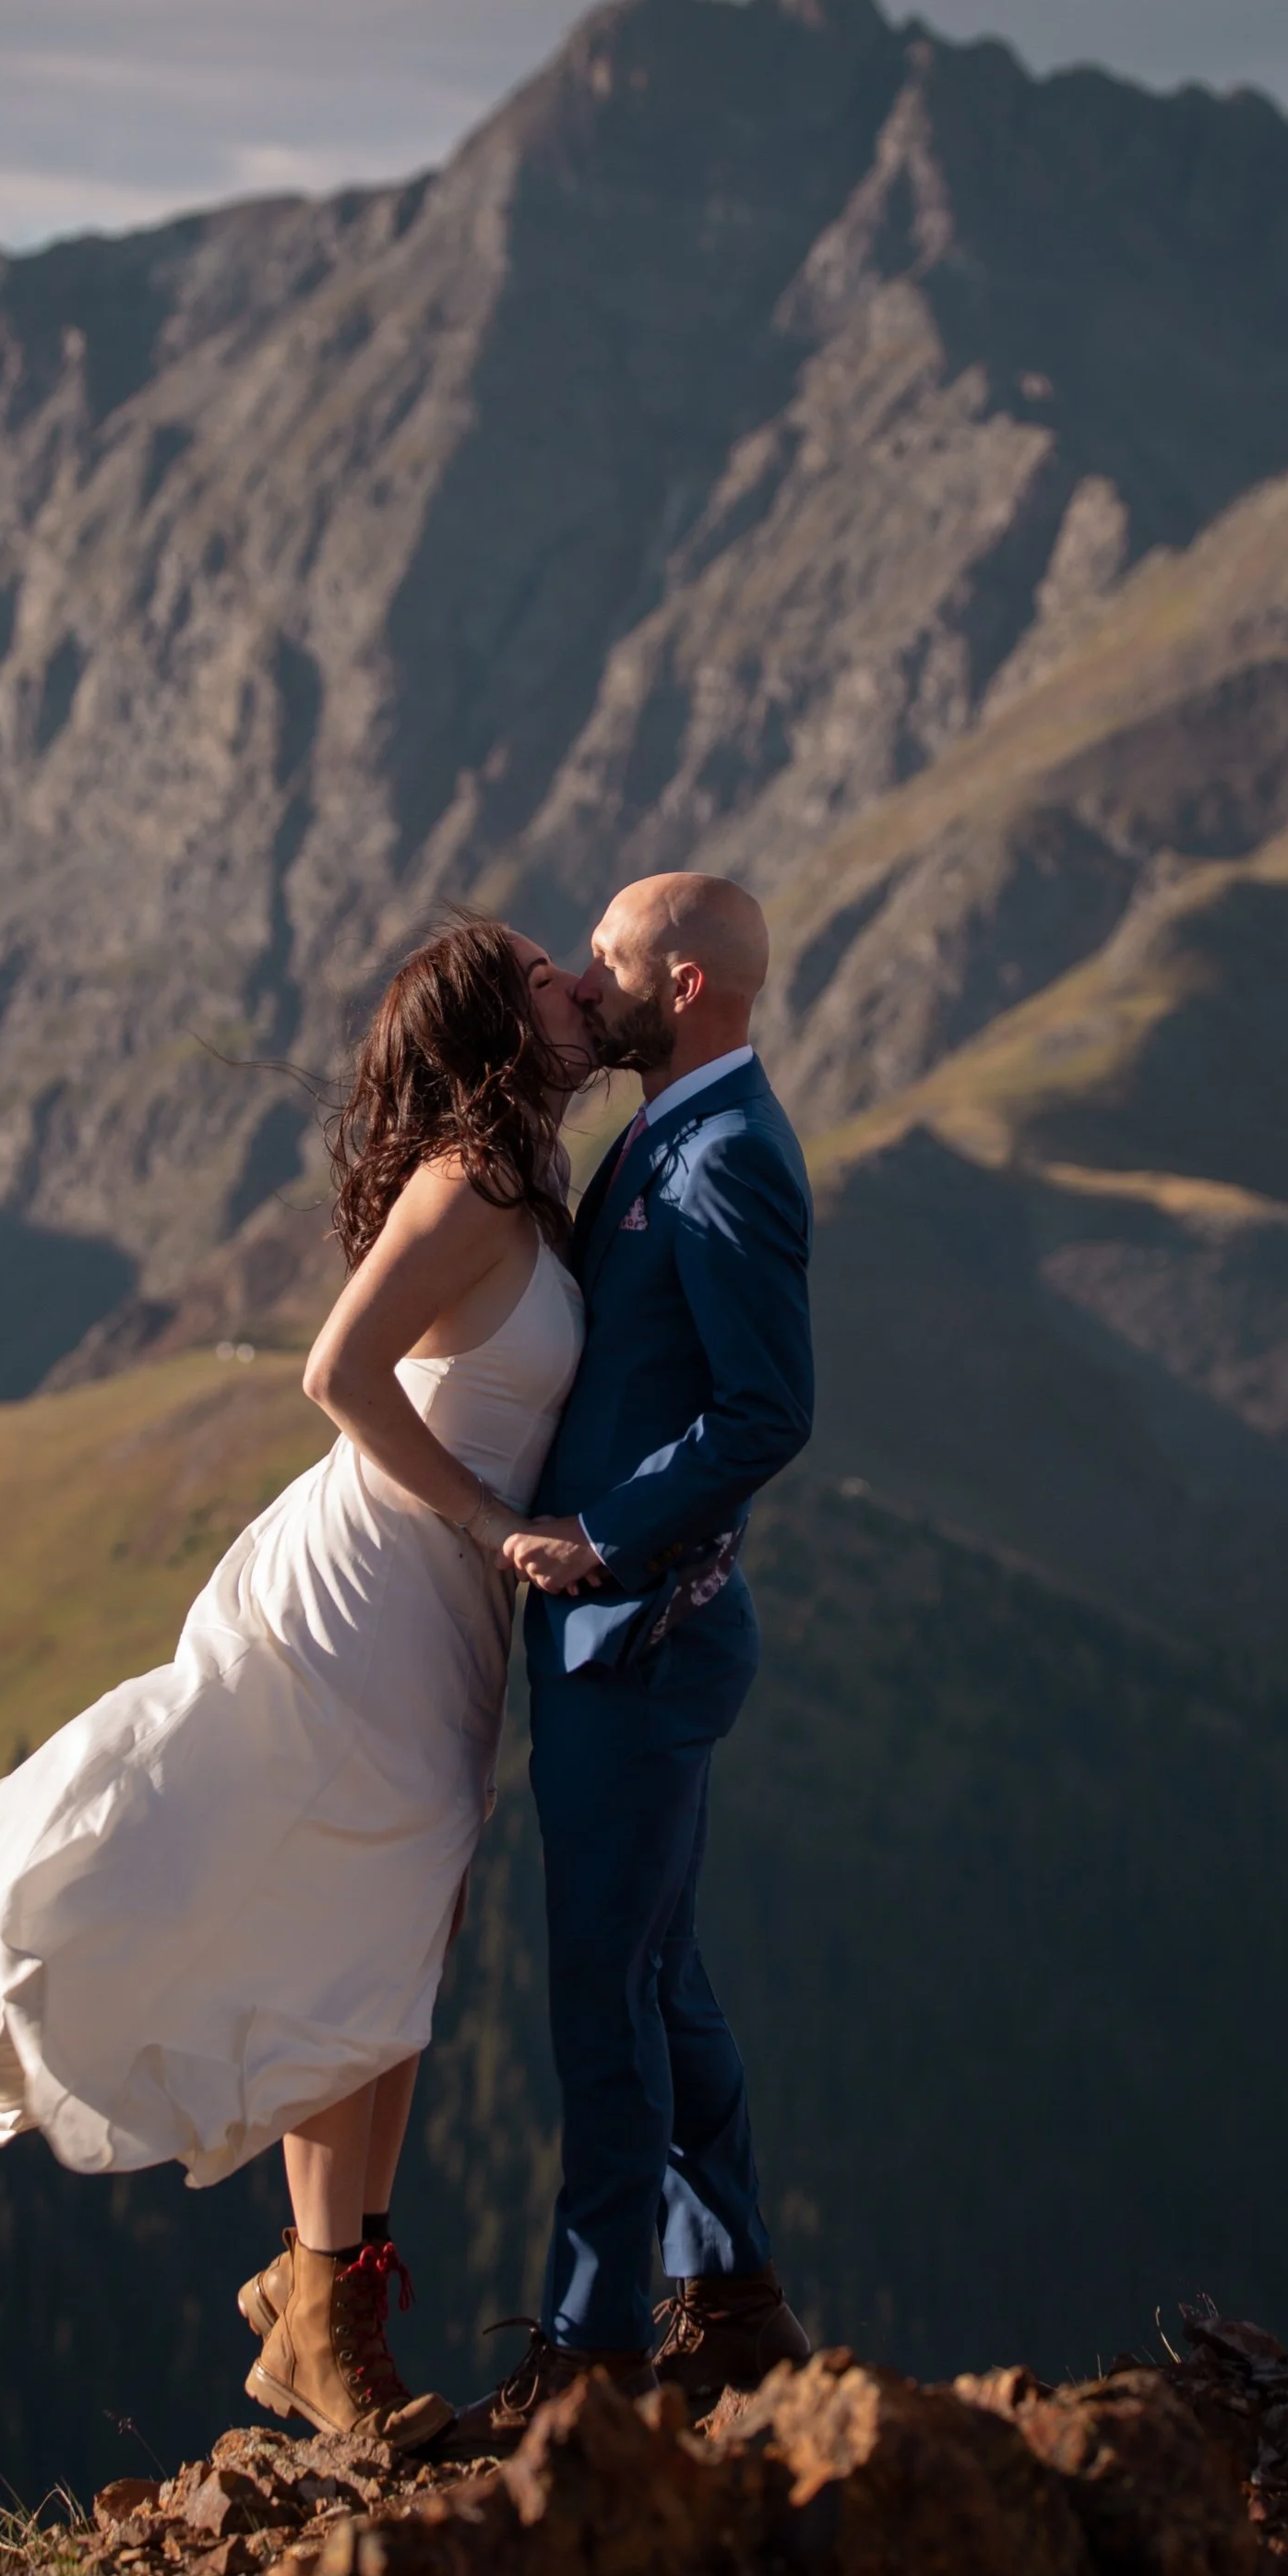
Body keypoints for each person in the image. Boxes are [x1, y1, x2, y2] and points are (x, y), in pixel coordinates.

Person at [0, 917, 592, 2458]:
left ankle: (319, 2304)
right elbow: (337, 1373)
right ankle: (324, 2320)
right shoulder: (469, 1185)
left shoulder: (531, 1189)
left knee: (394, 1949)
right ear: (499, 1026)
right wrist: (494, 1522)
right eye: (550, 977)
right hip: (367, 1592)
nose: (578, 986)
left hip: (435, 1615)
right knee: (344, 1930)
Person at [465, 871, 816, 2438]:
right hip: (621, 1634)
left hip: (643, 1633)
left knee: (605, 1991)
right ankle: (731, 2294)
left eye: (604, 964)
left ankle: (597, 2343)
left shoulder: (728, 1151)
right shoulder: (661, 1132)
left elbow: (767, 1408)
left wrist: (602, 1534)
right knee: (659, 1977)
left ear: (679, 984)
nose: (586, 988)